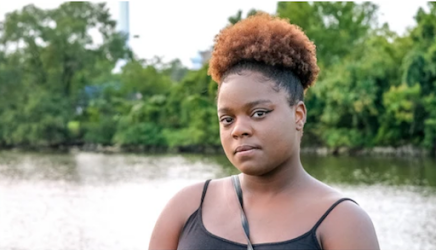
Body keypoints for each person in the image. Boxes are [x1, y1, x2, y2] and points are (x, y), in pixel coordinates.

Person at [149, 13, 380, 250]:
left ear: (298, 115)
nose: (238, 130)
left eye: (258, 113)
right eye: (227, 119)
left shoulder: (342, 222)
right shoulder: (187, 209)